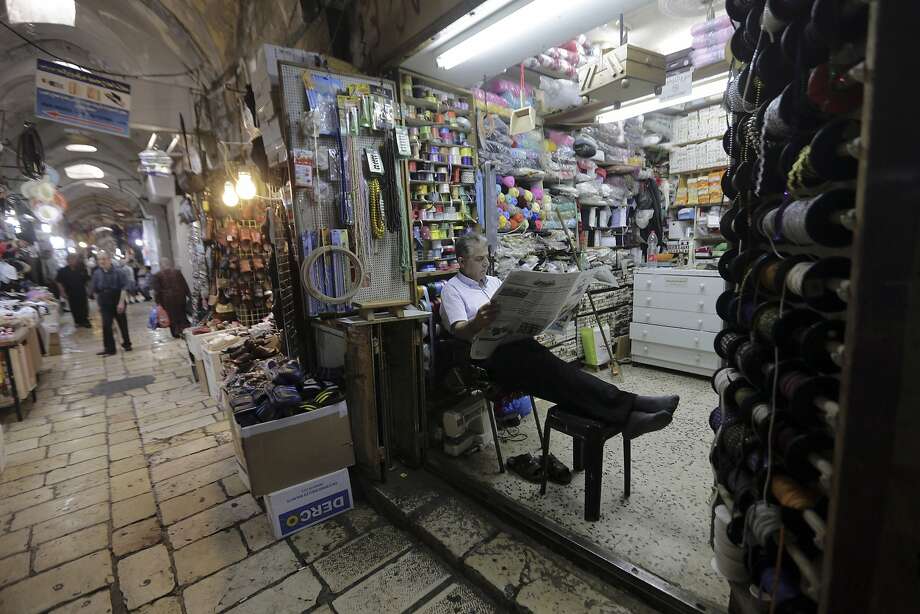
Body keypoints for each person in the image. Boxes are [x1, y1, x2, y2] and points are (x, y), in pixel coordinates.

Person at [440, 233, 679, 440]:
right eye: (479, 259)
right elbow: (458, 329)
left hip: (517, 345)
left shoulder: (493, 282)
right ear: (461, 262)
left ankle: (629, 414)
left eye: (487, 258)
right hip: (487, 358)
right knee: (557, 375)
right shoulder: (453, 289)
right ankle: (634, 406)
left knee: (559, 376)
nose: (485, 264)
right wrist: (476, 323)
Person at [91, 252, 132, 355]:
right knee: (106, 325)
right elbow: (95, 290)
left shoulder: (119, 271)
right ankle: (109, 348)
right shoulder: (96, 273)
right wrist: (98, 304)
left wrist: (121, 303)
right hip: (104, 300)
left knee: (122, 323)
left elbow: (124, 287)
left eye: (104, 259)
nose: (102, 261)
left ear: (109, 259)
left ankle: (127, 344)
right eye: (99, 259)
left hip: (117, 298)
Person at [151, 258, 191, 338]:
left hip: (167, 299)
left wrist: (158, 302)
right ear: (169, 263)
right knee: (182, 314)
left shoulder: (158, 275)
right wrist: (189, 295)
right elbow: (184, 284)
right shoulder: (177, 272)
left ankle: (175, 332)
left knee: (171, 316)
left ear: (161, 265)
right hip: (180, 296)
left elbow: (157, 290)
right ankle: (185, 330)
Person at [55, 253, 91, 328]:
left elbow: (87, 280)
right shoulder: (63, 271)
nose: (73, 261)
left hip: (81, 291)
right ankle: (77, 321)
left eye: (74, 259)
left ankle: (85, 321)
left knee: (84, 306)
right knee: (74, 307)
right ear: (67, 261)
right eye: (70, 259)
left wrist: (89, 289)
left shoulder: (82, 269)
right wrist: (62, 292)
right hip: (70, 292)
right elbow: (59, 281)